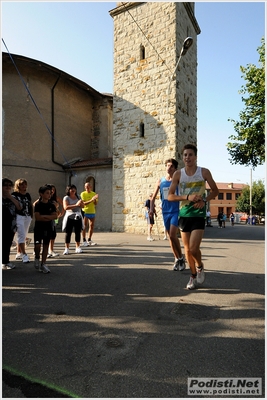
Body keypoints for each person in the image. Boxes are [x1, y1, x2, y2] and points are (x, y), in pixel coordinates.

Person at [168, 144, 219, 290]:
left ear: (195, 157)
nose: (187, 157)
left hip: (198, 214)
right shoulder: (178, 174)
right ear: (183, 157)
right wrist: (187, 196)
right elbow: (170, 196)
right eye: (185, 155)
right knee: (188, 250)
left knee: (194, 247)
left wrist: (204, 200)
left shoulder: (204, 172)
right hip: (184, 214)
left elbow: (215, 191)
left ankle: (200, 266)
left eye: (190, 155)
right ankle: (193, 277)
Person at [150, 158, 185, 271]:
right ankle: (177, 258)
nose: (168, 168)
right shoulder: (160, 181)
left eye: (171, 166)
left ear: (175, 169)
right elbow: (153, 198)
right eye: (167, 165)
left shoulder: (177, 180)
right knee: (170, 237)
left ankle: (181, 258)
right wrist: (151, 209)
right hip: (165, 212)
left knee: (173, 234)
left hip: (175, 211)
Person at [33, 185, 58, 273]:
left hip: (48, 228)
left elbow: (55, 216)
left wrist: (44, 216)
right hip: (38, 227)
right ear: (41, 194)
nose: (49, 195)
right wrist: (49, 217)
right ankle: (36, 257)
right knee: (37, 246)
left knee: (46, 246)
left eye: (50, 193)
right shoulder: (38, 205)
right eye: (47, 193)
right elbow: (37, 217)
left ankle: (43, 264)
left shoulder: (52, 205)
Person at [2, 178, 22, 269]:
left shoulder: (12, 198)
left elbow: (19, 207)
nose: (8, 187)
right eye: (5, 185)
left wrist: (10, 197)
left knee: (7, 243)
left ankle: (5, 261)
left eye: (10, 185)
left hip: (10, 225)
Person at [12, 178, 33, 263]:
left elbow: (30, 205)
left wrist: (31, 215)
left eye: (25, 184)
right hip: (19, 216)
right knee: (21, 234)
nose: (23, 186)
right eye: (21, 184)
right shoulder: (14, 195)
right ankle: (24, 255)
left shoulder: (27, 195)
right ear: (18, 185)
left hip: (27, 216)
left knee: (23, 235)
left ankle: (19, 253)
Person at [62, 184, 84, 254]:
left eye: (74, 189)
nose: (73, 190)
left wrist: (81, 204)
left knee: (78, 232)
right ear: (68, 190)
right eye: (71, 189)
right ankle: (66, 248)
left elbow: (82, 206)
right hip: (70, 216)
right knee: (68, 233)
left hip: (78, 216)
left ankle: (78, 247)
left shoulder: (78, 196)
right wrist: (76, 205)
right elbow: (66, 207)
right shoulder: (66, 198)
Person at [45, 184, 64, 257]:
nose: (52, 191)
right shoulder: (45, 198)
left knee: (53, 233)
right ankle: (44, 250)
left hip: (54, 218)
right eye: (51, 189)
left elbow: (63, 205)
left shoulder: (56, 198)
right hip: (46, 218)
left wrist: (61, 213)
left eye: (53, 190)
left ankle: (51, 249)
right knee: (46, 234)